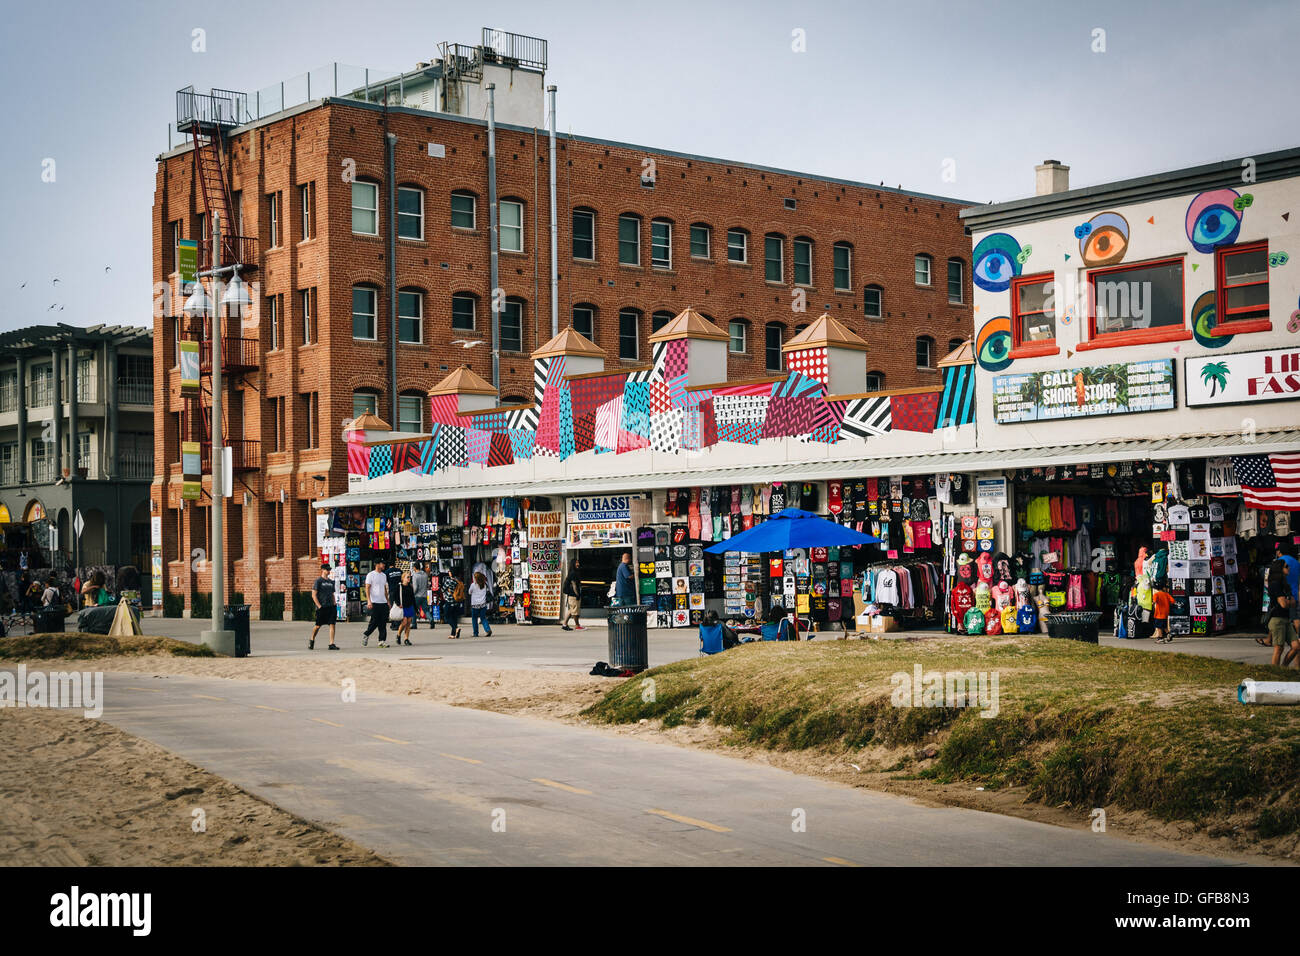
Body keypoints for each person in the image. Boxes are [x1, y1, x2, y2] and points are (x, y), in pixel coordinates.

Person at [1266, 559, 1293, 668]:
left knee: (1296, 646)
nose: (1289, 568)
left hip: (1286, 618)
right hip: (1277, 619)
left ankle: (1283, 668)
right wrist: (1288, 602)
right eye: (1286, 567)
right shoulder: (1275, 584)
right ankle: (1275, 672)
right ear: (1280, 569)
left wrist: (1288, 602)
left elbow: (1293, 602)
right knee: (1279, 648)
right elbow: (1283, 604)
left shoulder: (1284, 584)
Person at [308, 563, 339, 650]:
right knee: (318, 625)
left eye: (329, 570)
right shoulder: (318, 581)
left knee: (332, 624)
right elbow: (314, 595)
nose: (328, 571)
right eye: (327, 570)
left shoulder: (330, 582)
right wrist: (319, 606)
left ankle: (331, 643)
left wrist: (334, 603)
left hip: (331, 606)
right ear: (322, 570)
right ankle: (312, 639)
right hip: (322, 607)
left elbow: (332, 594)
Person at [362, 559, 390, 647]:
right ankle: (366, 634)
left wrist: (387, 601)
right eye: (382, 564)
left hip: (383, 602)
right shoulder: (371, 575)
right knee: (374, 621)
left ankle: (382, 640)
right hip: (375, 602)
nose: (384, 565)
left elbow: (385, 588)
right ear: (377, 564)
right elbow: (367, 588)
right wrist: (369, 601)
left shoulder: (384, 575)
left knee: (383, 622)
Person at [560, 560, 584, 631]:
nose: (578, 564)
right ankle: (577, 625)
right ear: (573, 564)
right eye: (576, 563)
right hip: (573, 595)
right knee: (575, 612)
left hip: (571, 595)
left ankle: (564, 624)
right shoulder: (573, 573)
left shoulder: (572, 573)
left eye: (578, 562)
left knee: (571, 610)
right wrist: (577, 594)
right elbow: (574, 585)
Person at [468, 571, 493, 637]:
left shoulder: (473, 585)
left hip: (475, 605)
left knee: (474, 619)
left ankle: (475, 633)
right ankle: (487, 629)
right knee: (483, 618)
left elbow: (469, 592)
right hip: (483, 604)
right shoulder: (485, 585)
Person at [397, 569, 416, 646]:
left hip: (410, 606)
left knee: (408, 623)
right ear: (403, 578)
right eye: (407, 577)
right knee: (404, 622)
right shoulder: (399, 586)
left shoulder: (410, 587)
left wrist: (416, 609)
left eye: (409, 577)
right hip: (403, 607)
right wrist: (398, 604)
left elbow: (413, 598)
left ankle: (406, 639)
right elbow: (395, 596)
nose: (409, 579)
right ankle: (398, 634)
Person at [1151, 579, 1173, 644]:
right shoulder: (1166, 594)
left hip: (1159, 613)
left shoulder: (1156, 594)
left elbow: (1154, 601)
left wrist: (1153, 603)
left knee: (1159, 626)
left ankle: (1160, 638)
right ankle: (1169, 634)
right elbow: (1172, 601)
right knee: (1164, 625)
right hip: (1165, 613)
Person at [411, 562, 430, 631]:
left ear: (415, 568)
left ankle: (414, 624)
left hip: (417, 596)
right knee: (426, 610)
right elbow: (427, 585)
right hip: (424, 595)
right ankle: (431, 620)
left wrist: (413, 594)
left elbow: (415, 587)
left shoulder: (415, 576)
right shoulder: (425, 574)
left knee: (413, 610)